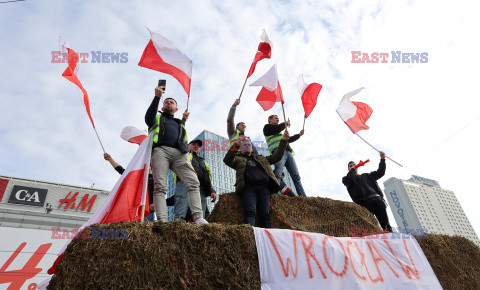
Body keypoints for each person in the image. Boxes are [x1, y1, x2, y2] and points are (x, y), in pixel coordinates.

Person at [145, 85, 207, 224]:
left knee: (193, 182)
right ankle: (161, 220)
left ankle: (198, 217)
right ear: (162, 107)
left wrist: (184, 119)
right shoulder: (156, 118)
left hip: (180, 154)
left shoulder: (179, 123)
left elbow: (178, 133)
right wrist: (157, 97)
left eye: (172, 102)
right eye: (166, 101)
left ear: (176, 109)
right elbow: (148, 118)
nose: (168, 103)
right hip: (161, 151)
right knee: (160, 186)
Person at [223, 131, 289, 228]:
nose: (247, 146)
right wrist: (236, 143)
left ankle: (267, 238)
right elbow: (227, 160)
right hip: (249, 188)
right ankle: (251, 236)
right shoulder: (238, 159)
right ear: (240, 148)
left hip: (264, 188)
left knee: (265, 215)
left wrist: (283, 140)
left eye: (249, 144)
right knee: (250, 212)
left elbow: (278, 156)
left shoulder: (261, 158)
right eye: (244, 144)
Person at [104, 153, 176, 221]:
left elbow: (162, 196)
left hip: (147, 211)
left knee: (146, 230)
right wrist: (110, 159)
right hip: (135, 210)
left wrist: (156, 204)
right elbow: (122, 171)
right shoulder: (137, 178)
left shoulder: (157, 180)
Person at [342, 151, 392, 232]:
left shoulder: (367, 176)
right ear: (348, 169)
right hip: (364, 204)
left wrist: (382, 159)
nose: (352, 166)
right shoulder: (346, 179)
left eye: (354, 165)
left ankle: (390, 241)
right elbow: (348, 180)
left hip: (377, 199)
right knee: (366, 226)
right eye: (350, 166)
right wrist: (351, 171)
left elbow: (380, 172)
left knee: (386, 225)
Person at [263, 115, 306, 196]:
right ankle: (276, 194)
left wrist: (299, 135)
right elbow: (277, 128)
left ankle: (303, 196)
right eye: (275, 118)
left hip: (288, 152)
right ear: (270, 120)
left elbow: (288, 140)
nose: (277, 119)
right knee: (278, 174)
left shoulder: (279, 133)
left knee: (296, 176)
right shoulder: (267, 128)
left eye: (278, 117)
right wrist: (285, 123)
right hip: (278, 152)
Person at [174, 139, 217, 220]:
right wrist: (180, 176)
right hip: (185, 183)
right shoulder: (183, 154)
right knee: (182, 206)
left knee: (200, 214)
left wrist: (212, 191)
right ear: (188, 146)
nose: (196, 146)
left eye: (198, 145)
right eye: (193, 144)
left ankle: (199, 222)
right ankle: (179, 220)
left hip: (201, 188)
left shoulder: (203, 162)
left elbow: (207, 177)